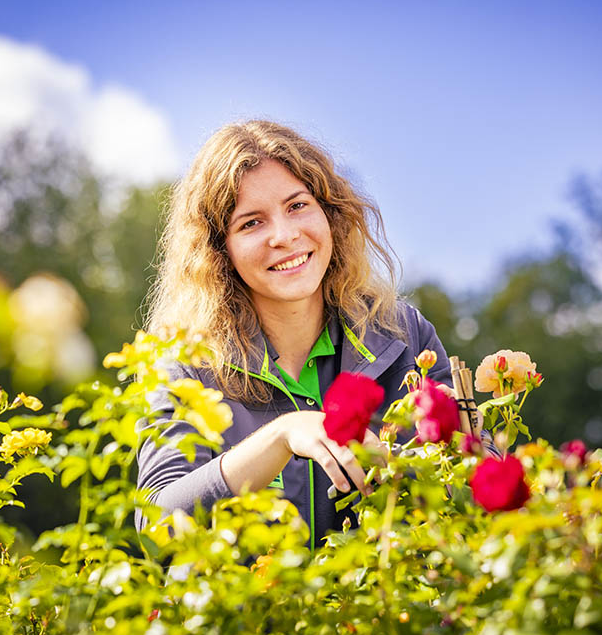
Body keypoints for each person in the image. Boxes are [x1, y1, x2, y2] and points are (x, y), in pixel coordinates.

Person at [137, 120, 454, 549]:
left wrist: (404, 471)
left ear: (331, 213)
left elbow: (474, 482)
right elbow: (159, 531)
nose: (284, 236)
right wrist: (281, 436)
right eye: (251, 223)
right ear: (218, 250)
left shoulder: (402, 334)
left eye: (298, 206)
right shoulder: (184, 365)